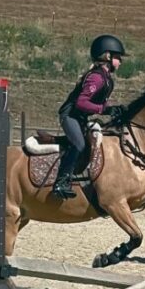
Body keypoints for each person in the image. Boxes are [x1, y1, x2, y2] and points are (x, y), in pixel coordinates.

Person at [51, 34, 128, 200]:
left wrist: (113, 110)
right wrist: (104, 109)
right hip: (70, 115)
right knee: (79, 144)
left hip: (80, 118)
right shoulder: (96, 78)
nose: (120, 61)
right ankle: (60, 182)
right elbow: (81, 103)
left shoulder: (107, 79)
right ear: (107, 56)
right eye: (118, 57)